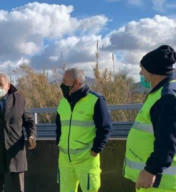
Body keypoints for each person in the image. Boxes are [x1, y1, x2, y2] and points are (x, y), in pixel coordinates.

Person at [124, 45, 176, 191]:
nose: (141, 73)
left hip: (161, 182)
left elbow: (167, 140)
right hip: (158, 179)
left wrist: (151, 170)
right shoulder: (162, 93)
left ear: (153, 70)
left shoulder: (166, 97)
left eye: (142, 69)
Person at [56, 68, 112, 192]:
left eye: (64, 81)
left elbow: (105, 128)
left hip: (86, 159)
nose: (62, 84)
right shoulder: (63, 102)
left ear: (76, 83)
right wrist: (59, 143)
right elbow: (59, 127)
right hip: (65, 159)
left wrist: (96, 149)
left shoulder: (96, 100)